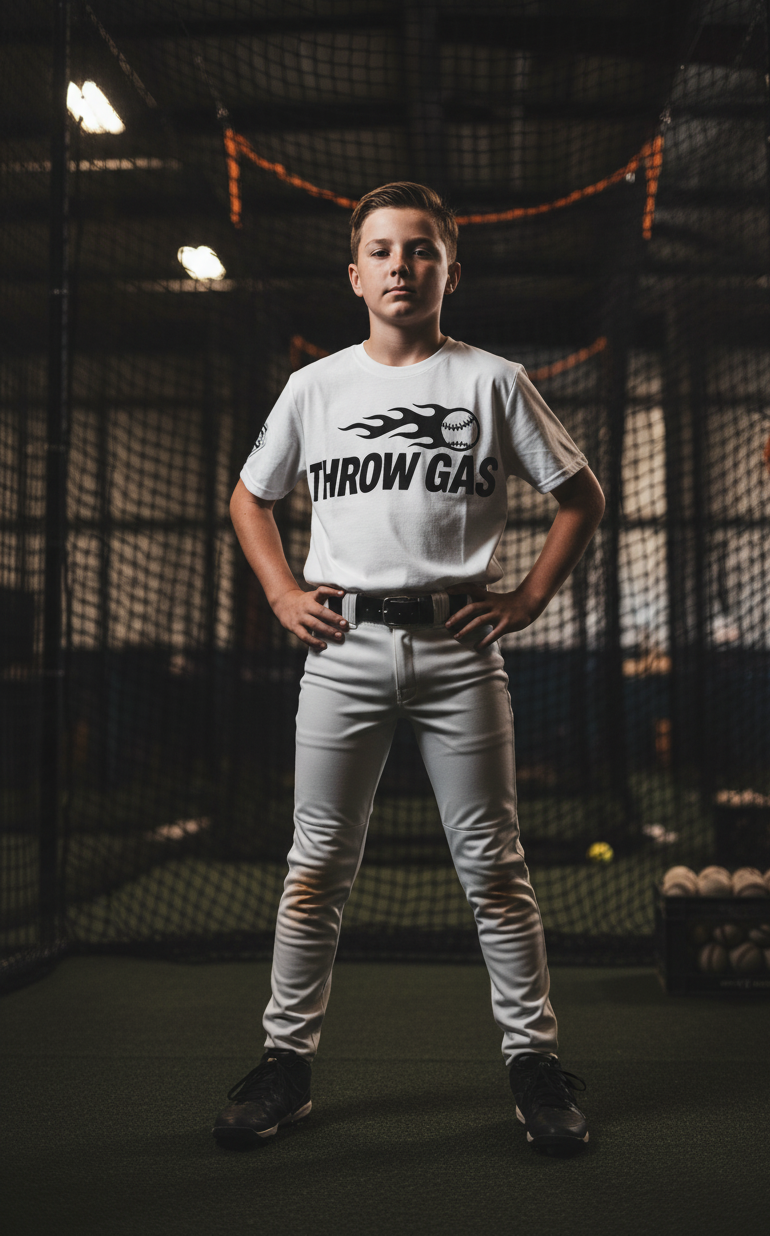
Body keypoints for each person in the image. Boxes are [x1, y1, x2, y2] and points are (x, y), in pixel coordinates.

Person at [214, 181, 605, 1155]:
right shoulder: (316, 387)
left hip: (457, 654)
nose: (401, 264)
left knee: (495, 868)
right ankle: (285, 1065)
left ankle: (533, 1064)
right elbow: (248, 499)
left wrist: (525, 600)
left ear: (449, 270)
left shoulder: (493, 382)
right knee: (315, 869)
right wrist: (277, 595)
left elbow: (580, 497)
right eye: (382, 250)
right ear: (355, 274)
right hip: (341, 652)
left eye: (420, 249)